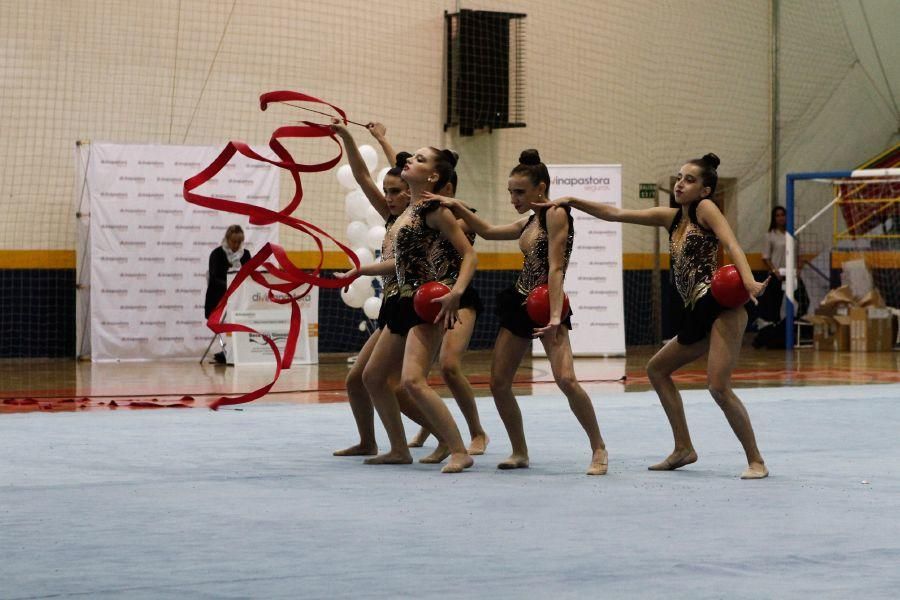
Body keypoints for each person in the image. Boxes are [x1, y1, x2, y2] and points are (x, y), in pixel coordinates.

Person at [542, 153, 769, 479]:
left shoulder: (706, 209)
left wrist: (748, 281)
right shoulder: (671, 218)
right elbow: (616, 213)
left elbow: (731, 243)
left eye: (690, 179)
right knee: (657, 369)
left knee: (718, 386)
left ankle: (756, 460)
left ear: (705, 190)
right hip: (695, 310)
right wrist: (572, 200)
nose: (680, 183)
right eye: (679, 176)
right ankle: (683, 448)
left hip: (721, 308)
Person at [426, 149, 608, 476]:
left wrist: (554, 317)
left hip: (546, 303)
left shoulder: (556, 214)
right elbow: (489, 232)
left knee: (566, 379)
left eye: (520, 192)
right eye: (511, 192)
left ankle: (599, 447)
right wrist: (457, 207)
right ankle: (519, 451)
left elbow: (555, 268)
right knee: (498, 382)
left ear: (542, 187)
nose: (514, 198)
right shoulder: (530, 220)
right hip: (519, 301)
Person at [366, 123, 489, 458]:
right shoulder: (408, 210)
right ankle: (412, 445)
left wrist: (456, 292)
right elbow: (404, 170)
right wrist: (381, 140)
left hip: (437, 297)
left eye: (419, 159)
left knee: (430, 374)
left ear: (436, 178)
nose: (409, 161)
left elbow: (471, 254)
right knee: (377, 377)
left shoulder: (440, 212)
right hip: (408, 299)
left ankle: (464, 442)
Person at [204, 225, 251, 364]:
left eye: (239, 242)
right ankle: (226, 351)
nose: (236, 245)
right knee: (222, 323)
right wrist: (231, 286)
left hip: (239, 298)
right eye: (233, 241)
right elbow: (214, 278)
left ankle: (235, 351)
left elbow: (250, 276)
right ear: (227, 239)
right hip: (218, 298)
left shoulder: (246, 254)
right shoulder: (216, 254)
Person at [758, 205, 786, 326]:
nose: (780, 218)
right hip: (776, 275)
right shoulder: (770, 235)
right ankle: (775, 329)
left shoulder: (793, 235)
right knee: (775, 304)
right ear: (774, 218)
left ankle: (792, 326)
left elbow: (798, 255)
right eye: (777, 215)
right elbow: (766, 257)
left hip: (791, 274)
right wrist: (775, 271)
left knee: (802, 300)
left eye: (782, 215)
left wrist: (799, 269)